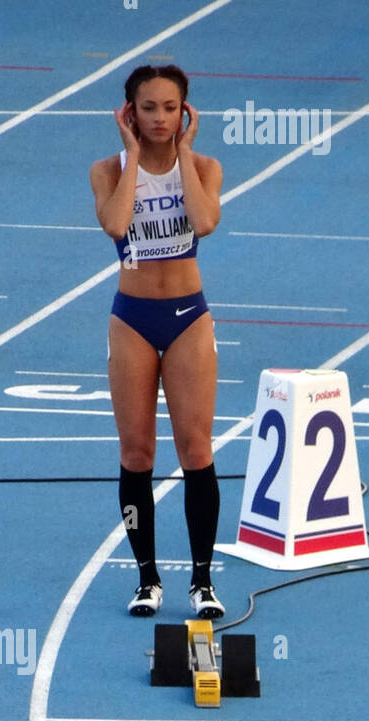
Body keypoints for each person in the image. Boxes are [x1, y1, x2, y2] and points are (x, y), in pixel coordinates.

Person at [90, 64, 225, 619]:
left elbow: (205, 220)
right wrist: (131, 158)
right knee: (136, 451)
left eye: (171, 108)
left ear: (185, 111)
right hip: (133, 319)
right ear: (130, 113)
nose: (161, 119)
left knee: (196, 449)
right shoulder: (106, 170)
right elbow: (117, 224)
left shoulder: (206, 167)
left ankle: (201, 579)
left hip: (188, 316)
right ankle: (147, 578)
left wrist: (185, 155)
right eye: (149, 108)